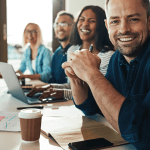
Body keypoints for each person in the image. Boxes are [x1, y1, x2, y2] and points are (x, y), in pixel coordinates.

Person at [62, 0, 150, 149]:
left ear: (149, 22)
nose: (123, 29)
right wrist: (77, 78)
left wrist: (91, 74)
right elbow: (96, 108)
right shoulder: (118, 58)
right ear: (107, 25)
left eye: (133, 19)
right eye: (115, 21)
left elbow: (143, 133)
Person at [27, 6, 114, 101]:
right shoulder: (72, 50)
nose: (85, 24)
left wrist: (64, 93)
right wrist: (49, 87)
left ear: (101, 25)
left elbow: (100, 92)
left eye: (92, 21)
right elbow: (73, 86)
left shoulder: (109, 56)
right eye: (82, 19)